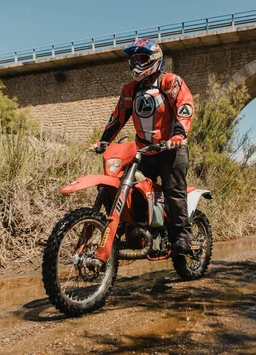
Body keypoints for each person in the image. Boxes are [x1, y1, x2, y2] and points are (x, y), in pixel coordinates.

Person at [91, 38, 194, 255]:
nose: (136, 63)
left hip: (171, 150)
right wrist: (104, 141)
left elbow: (184, 107)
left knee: (173, 190)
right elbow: (118, 117)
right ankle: (130, 228)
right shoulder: (130, 89)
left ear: (155, 60)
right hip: (144, 152)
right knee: (125, 185)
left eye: (142, 58)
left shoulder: (170, 81)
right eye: (133, 59)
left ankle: (182, 237)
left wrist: (178, 135)